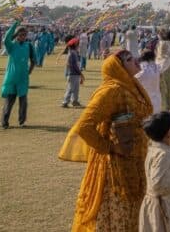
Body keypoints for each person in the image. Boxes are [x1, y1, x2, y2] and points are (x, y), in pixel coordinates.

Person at [60, 49, 152, 232]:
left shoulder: (132, 86)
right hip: (115, 165)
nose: (135, 60)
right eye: (128, 59)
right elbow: (84, 126)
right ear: (118, 67)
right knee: (120, 211)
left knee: (136, 209)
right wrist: (110, 147)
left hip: (136, 158)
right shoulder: (112, 91)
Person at [1, 19, 36, 129]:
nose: (23, 37)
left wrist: (29, 70)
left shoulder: (29, 46)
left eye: (24, 35)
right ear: (17, 35)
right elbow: (6, 38)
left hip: (23, 78)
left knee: (23, 100)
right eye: (21, 35)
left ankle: (22, 121)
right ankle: (5, 122)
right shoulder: (11, 46)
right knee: (9, 101)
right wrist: (15, 24)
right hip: (11, 78)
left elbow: (34, 60)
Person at [135, 49, 170, 114]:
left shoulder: (141, 67)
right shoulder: (156, 67)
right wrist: (166, 56)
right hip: (156, 98)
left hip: (143, 98)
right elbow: (166, 64)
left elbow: (135, 78)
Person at [62, 37, 84, 108]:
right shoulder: (72, 53)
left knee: (76, 89)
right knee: (71, 89)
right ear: (74, 45)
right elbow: (74, 65)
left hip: (74, 74)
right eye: (77, 44)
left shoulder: (73, 53)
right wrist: (80, 73)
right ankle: (65, 102)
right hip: (73, 74)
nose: (78, 45)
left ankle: (75, 101)